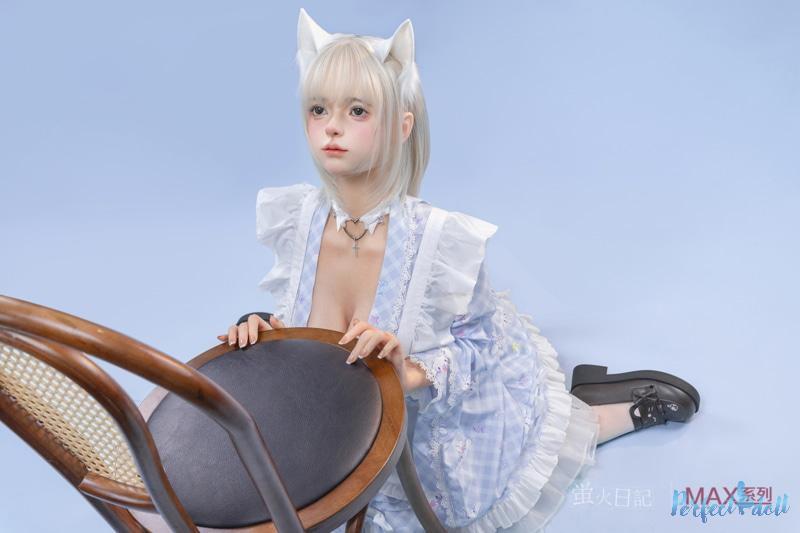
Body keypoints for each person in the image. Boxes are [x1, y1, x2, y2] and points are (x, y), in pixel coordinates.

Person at [217, 9, 701, 532]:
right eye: (319, 109)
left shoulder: (437, 241)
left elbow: (477, 349)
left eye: (357, 110)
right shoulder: (300, 220)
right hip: (335, 436)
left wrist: (406, 372)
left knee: (554, 441)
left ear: (401, 126)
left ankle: (608, 412)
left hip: (427, 439)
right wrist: (265, 333)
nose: (332, 126)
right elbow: (308, 332)